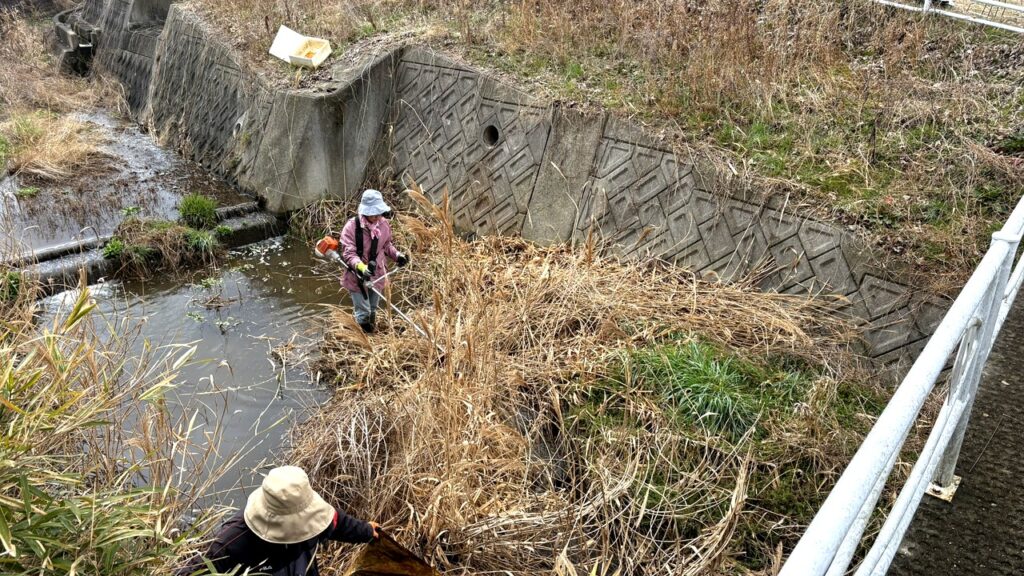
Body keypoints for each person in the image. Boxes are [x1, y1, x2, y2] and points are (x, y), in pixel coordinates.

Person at [177, 466, 380, 576]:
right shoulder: (236, 537)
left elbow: (340, 524)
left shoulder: (319, 516)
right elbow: (194, 571)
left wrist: (367, 532)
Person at [340, 189, 409, 333]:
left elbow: (386, 245)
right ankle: (365, 337)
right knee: (363, 311)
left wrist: (398, 255)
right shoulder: (352, 227)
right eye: (374, 213)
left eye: (379, 212)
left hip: (377, 273)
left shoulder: (383, 225)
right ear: (365, 211)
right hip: (357, 276)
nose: (378, 216)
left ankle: (372, 332)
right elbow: (349, 253)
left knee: (372, 308)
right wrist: (361, 267)